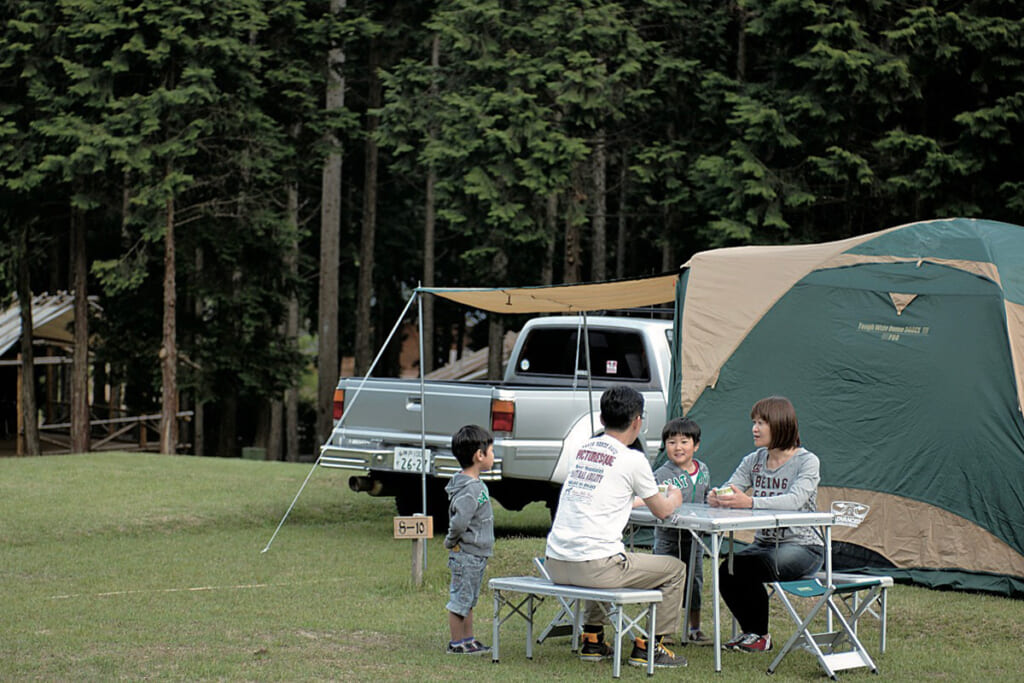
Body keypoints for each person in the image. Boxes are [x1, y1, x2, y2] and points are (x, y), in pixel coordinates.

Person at [545, 386, 688, 668]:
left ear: (601, 419)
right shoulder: (633, 459)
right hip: (595, 568)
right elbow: (661, 511)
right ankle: (651, 646)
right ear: (638, 421)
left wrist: (630, 502)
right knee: (675, 570)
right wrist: (675, 498)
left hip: (556, 562)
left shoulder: (584, 449)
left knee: (600, 554)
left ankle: (593, 640)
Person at [708, 396, 823, 654]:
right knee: (728, 570)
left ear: (780, 424)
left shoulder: (807, 462)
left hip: (803, 547)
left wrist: (748, 502)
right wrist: (718, 496)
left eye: (762, 422)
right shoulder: (754, 460)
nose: (754, 429)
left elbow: (794, 500)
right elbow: (732, 487)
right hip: (765, 544)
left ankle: (759, 636)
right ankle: (754, 634)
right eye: (754, 422)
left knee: (749, 567)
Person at [652, 417, 712, 645]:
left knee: (694, 581)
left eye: (684, 442)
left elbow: (705, 499)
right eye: (672, 442)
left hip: (695, 538)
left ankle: (694, 628)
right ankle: (662, 630)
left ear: (696, 445)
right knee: (665, 580)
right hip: (668, 537)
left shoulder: (703, 470)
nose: (678, 447)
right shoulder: (662, 474)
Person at [443, 425, 496, 655]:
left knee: (470, 600)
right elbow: (459, 522)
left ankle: (469, 639)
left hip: (477, 555)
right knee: (460, 601)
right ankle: (457, 643)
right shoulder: (469, 489)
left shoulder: (476, 485)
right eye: (492, 451)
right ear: (479, 455)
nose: (494, 456)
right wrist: (450, 540)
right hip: (466, 555)